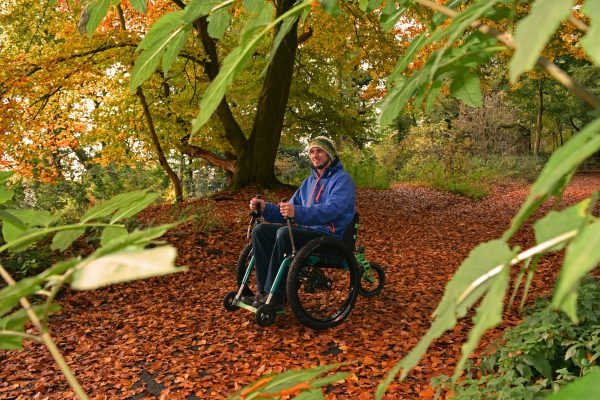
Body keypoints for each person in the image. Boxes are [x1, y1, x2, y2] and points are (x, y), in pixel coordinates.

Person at [246, 136, 356, 308]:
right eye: (312, 151)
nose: (315, 155)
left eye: (319, 150)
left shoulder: (342, 180)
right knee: (261, 231)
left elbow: (333, 210)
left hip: (329, 236)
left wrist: (298, 212)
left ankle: (276, 297)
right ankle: (263, 293)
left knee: (283, 234)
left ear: (330, 155)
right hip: (307, 234)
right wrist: (265, 208)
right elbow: (287, 210)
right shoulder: (308, 182)